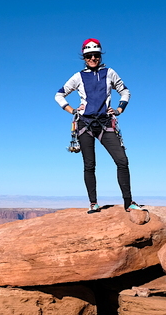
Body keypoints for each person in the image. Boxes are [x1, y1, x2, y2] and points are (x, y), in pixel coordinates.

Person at [54, 38, 142, 214]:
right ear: (84, 58)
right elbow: (59, 95)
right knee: (89, 165)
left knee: (122, 161)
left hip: (105, 123)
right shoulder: (78, 76)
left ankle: (128, 202)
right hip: (84, 123)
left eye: (96, 55)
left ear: (100, 56)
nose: (93, 58)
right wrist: (72, 110)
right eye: (89, 56)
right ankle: (93, 203)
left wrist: (119, 109)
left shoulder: (109, 73)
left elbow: (125, 91)